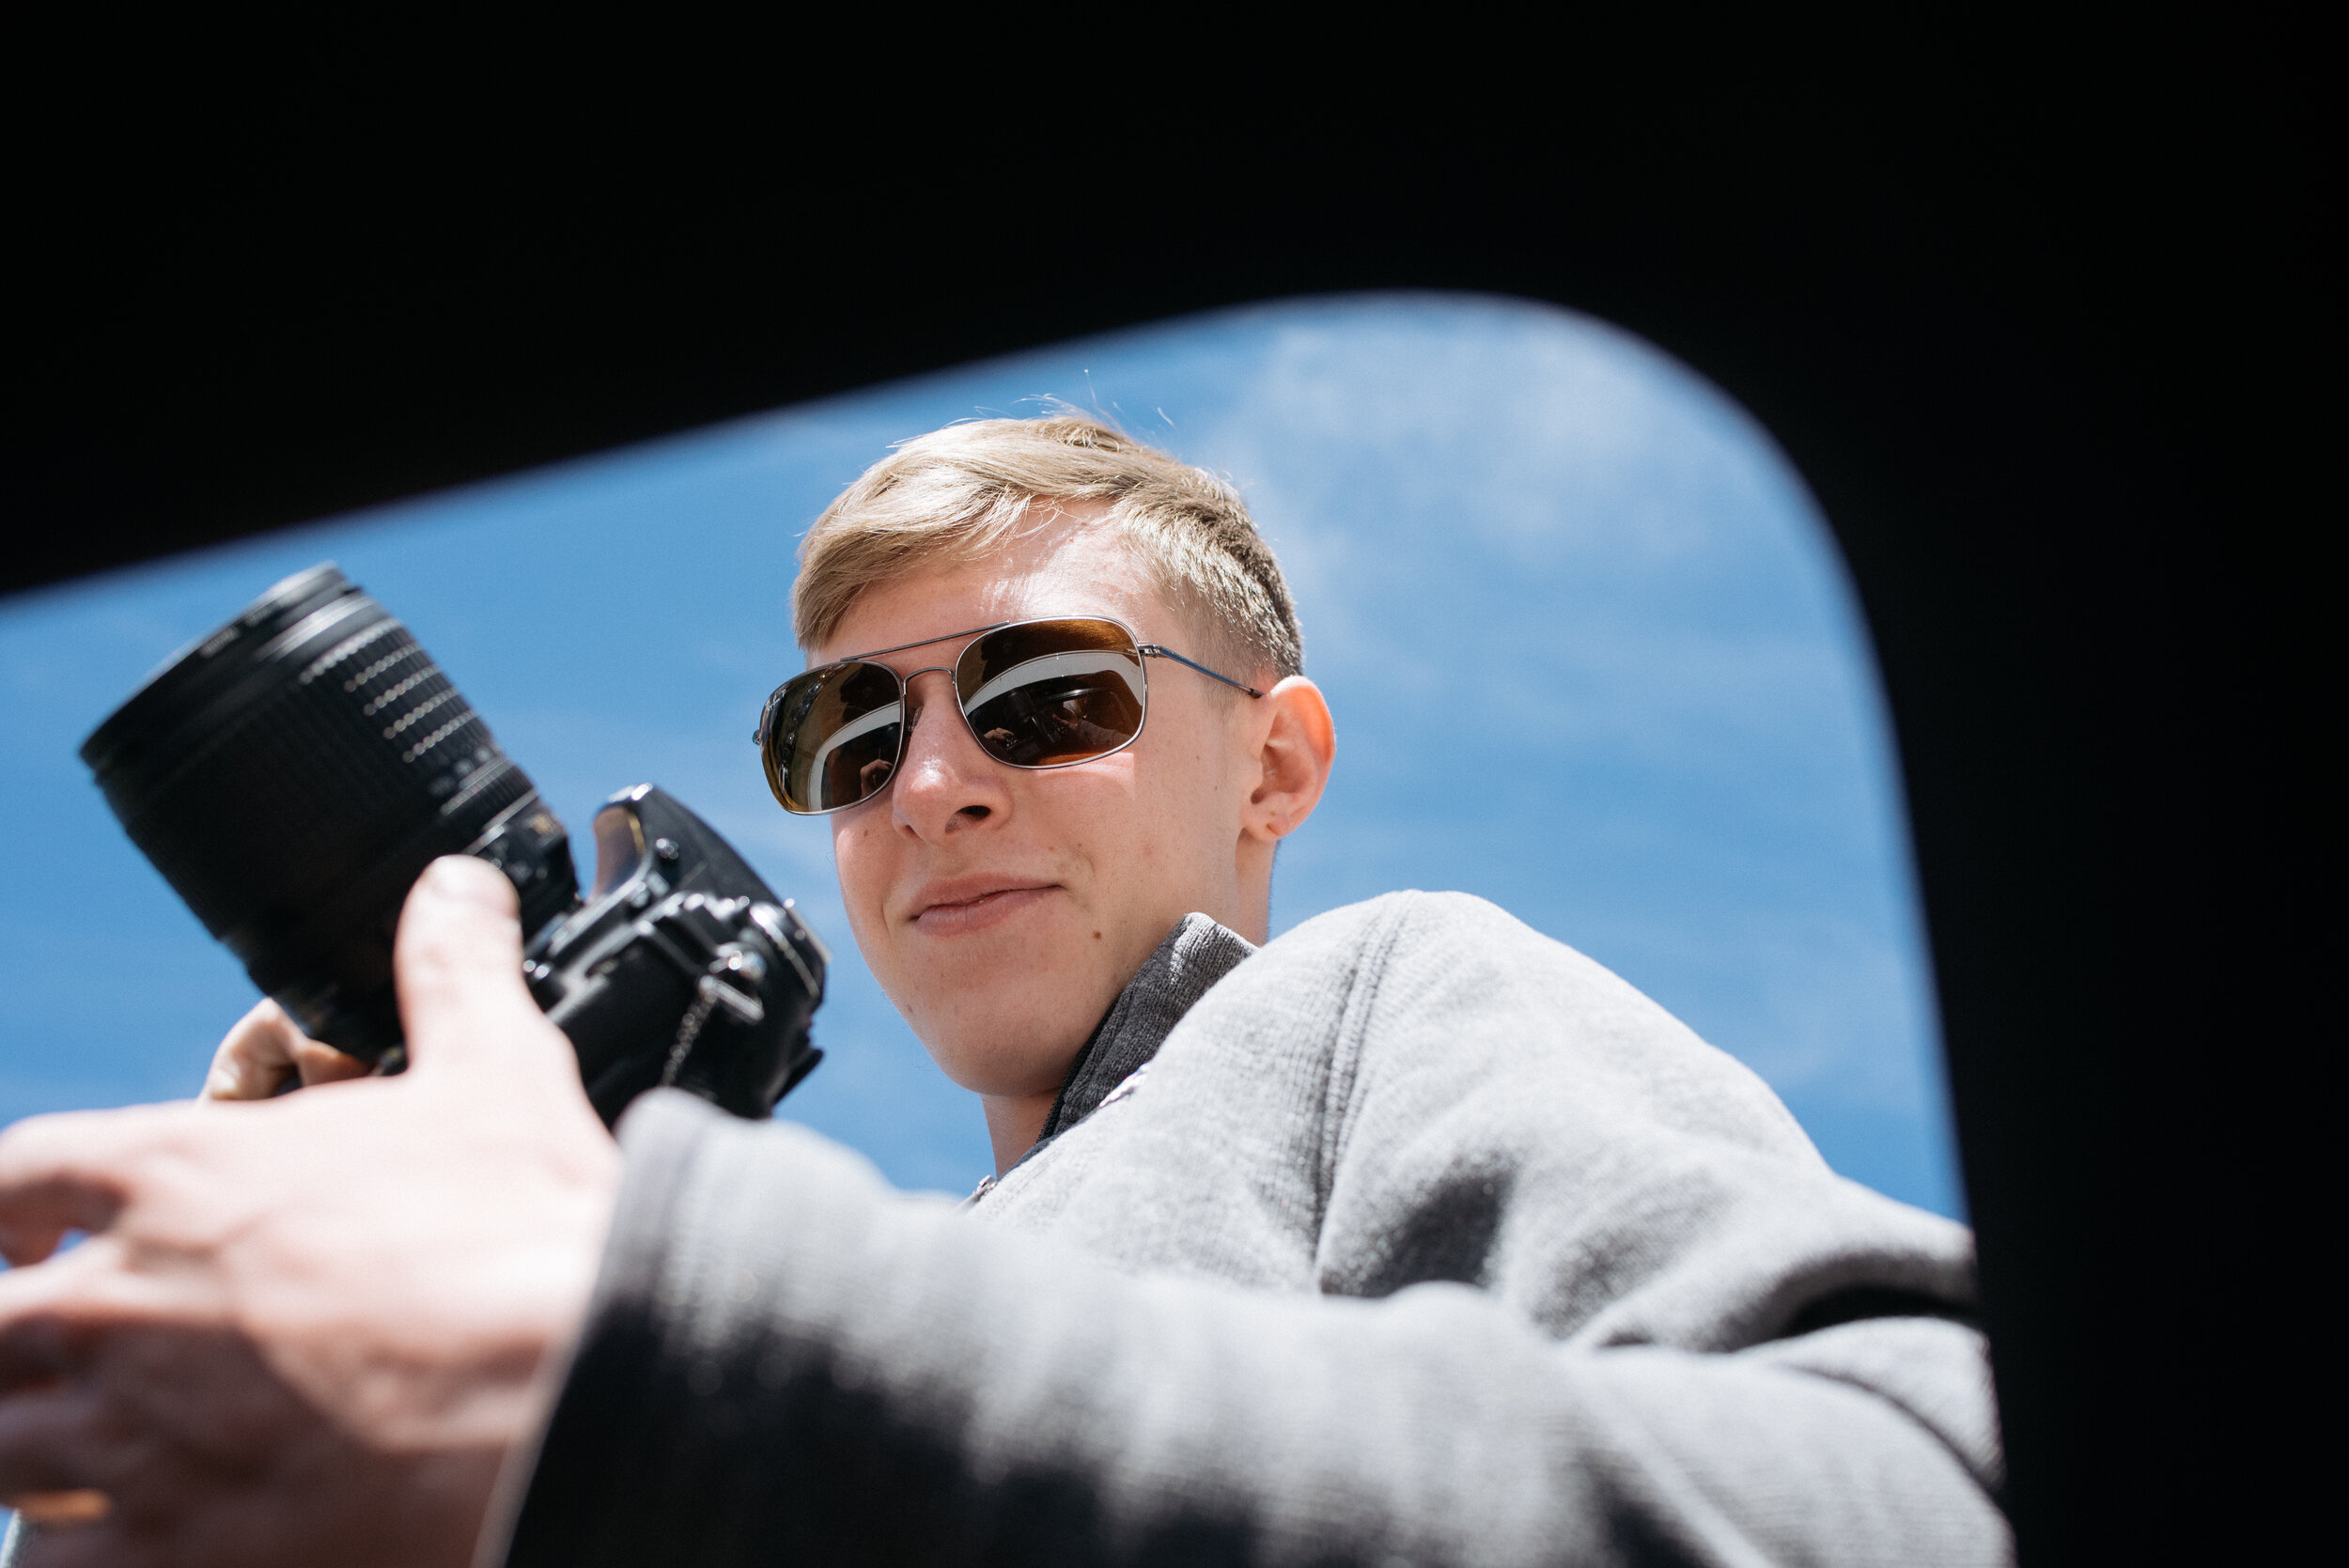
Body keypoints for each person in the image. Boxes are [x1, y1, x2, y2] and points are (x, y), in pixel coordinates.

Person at [0, 416, 2011, 1566]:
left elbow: (1926, 1498)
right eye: (850, 740)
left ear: (1276, 764)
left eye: (1047, 696)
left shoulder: (1384, 1001)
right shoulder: (884, 1278)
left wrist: (659, 1354)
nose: (936, 780)